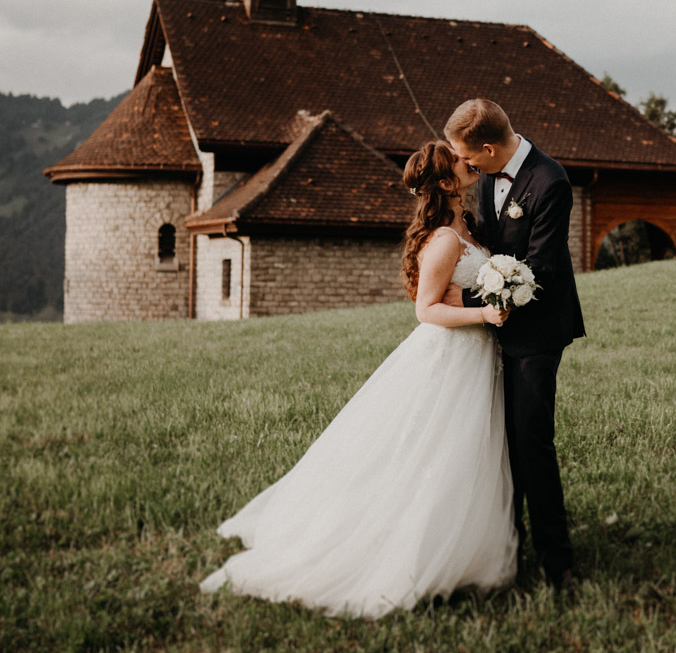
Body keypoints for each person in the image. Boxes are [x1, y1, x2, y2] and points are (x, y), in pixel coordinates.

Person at [198, 141, 517, 619]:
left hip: (475, 357)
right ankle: (409, 551)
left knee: (468, 449)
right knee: (432, 451)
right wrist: (483, 314)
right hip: (450, 355)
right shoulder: (445, 239)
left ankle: (467, 548)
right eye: (456, 159)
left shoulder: (466, 225)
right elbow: (425, 310)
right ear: (447, 183)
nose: (466, 160)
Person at [442, 98, 585, 592]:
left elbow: (540, 269)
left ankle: (556, 563)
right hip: (490, 328)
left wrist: (460, 297)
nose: (466, 166)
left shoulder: (551, 182)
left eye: (469, 157)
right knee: (493, 445)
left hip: (537, 331)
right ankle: (505, 549)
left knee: (530, 444)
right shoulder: (485, 175)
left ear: (487, 147)